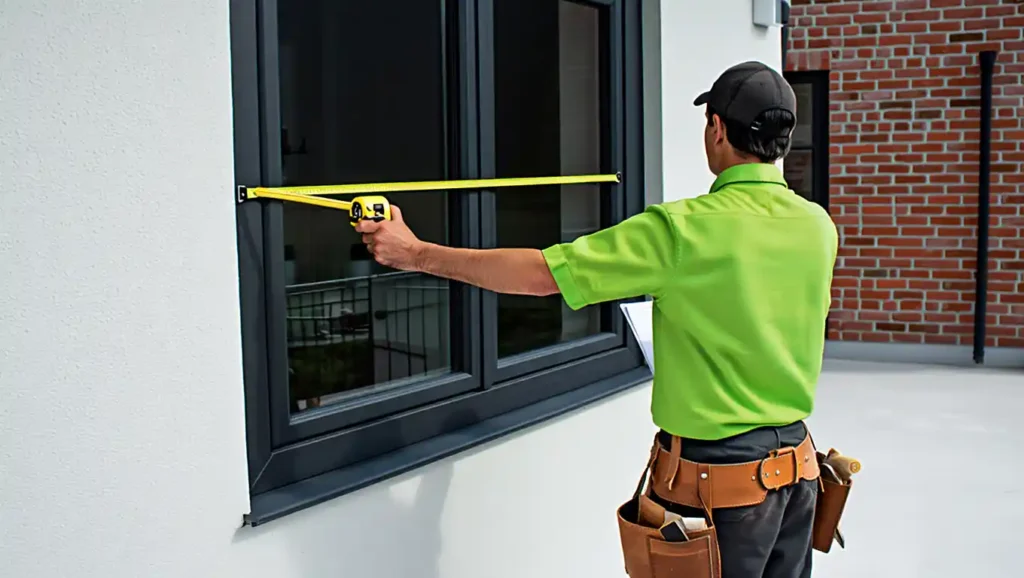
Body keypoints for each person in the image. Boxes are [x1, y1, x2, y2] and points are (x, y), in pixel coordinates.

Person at [356, 60, 838, 578]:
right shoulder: (817, 227)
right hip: (797, 478)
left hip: (719, 488)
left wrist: (417, 253)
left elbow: (544, 274)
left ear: (716, 128)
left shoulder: (684, 231)